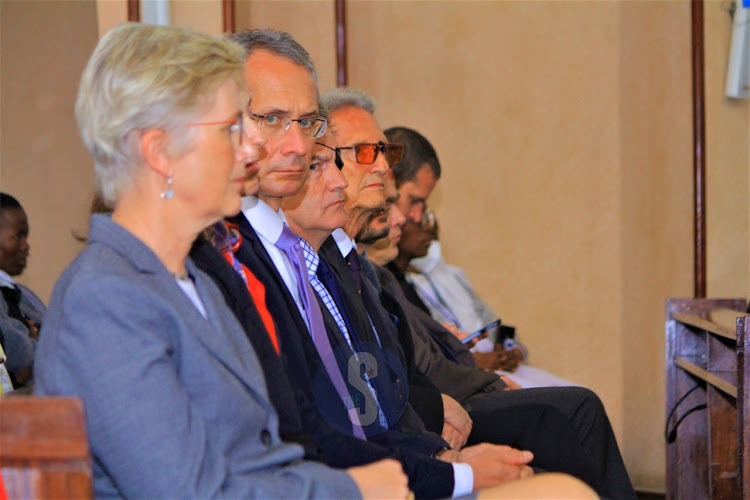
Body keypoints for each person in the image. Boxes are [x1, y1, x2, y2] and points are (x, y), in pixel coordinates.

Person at [33, 23, 409, 499]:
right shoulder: (105, 298)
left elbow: (264, 457)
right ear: (160, 152)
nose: (253, 147)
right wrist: (350, 490)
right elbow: (190, 493)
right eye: (233, 127)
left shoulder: (197, 282)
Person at [0, 192, 44, 390]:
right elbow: (19, 355)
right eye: (18, 236)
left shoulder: (21, 292)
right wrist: (35, 342)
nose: (25, 246)